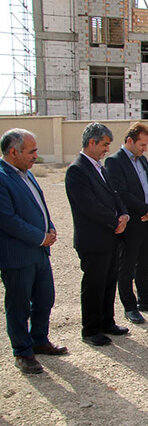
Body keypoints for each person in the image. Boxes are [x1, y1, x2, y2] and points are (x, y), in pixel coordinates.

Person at [0, 128, 67, 374]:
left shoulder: (26, 174)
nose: (35, 156)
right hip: (18, 255)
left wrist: (49, 226)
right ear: (13, 151)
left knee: (44, 298)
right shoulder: (2, 177)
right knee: (19, 305)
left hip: (39, 252)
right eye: (32, 151)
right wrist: (40, 237)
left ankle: (39, 339)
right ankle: (23, 352)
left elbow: (39, 206)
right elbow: (7, 219)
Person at [65, 123, 130, 346]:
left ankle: (106, 322)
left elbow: (114, 195)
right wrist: (115, 221)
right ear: (91, 143)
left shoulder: (100, 168)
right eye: (104, 145)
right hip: (93, 239)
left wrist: (123, 215)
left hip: (111, 237)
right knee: (94, 284)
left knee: (109, 281)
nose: (106, 149)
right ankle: (91, 329)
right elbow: (89, 206)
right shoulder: (77, 170)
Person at [105, 122, 148, 325]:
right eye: (142, 144)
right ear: (129, 141)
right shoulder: (115, 162)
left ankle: (145, 300)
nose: (145, 148)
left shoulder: (141, 161)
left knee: (145, 263)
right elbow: (120, 192)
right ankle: (130, 307)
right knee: (127, 265)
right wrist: (145, 209)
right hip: (132, 222)